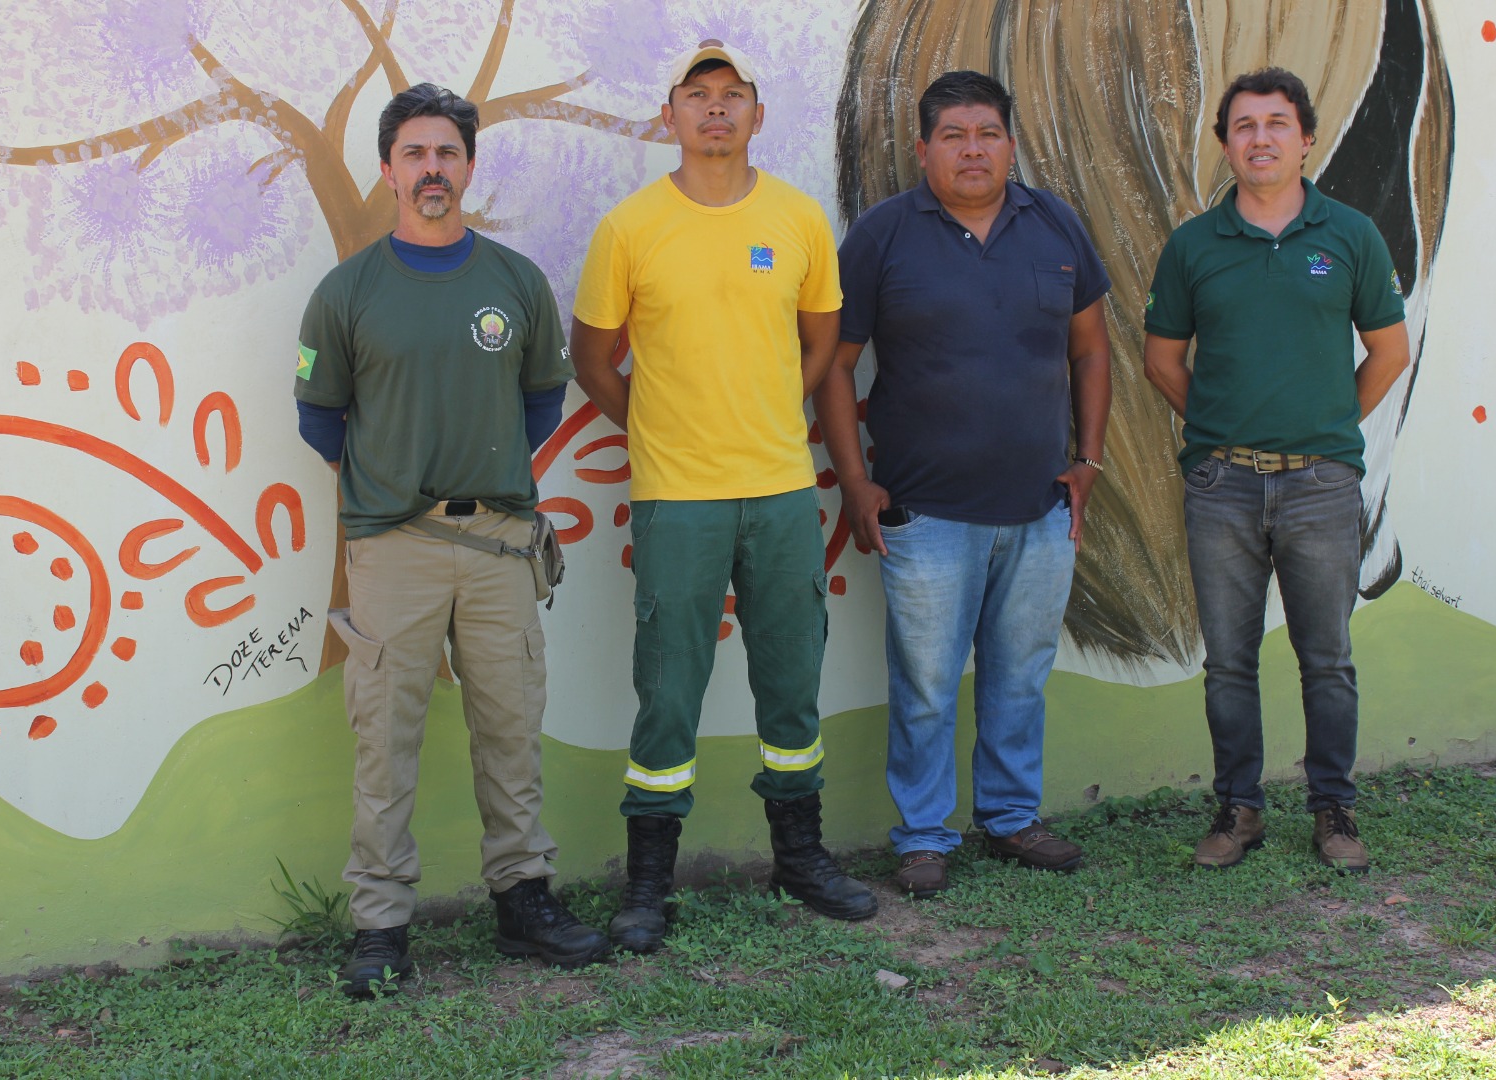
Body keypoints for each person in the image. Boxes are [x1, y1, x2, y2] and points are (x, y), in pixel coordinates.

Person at [294, 83, 607, 996]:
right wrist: (394, 485)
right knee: (384, 736)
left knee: (511, 727)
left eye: (448, 153)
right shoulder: (347, 291)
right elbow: (322, 418)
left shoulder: (512, 282)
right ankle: (381, 925)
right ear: (389, 170)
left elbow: (540, 401)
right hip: (392, 546)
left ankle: (524, 899)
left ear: (470, 165)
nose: (433, 170)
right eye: (415, 155)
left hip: (503, 545)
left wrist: (483, 469)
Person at [570, 40, 876, 953]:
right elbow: (592, 361)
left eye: (731, 95)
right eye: (696, 96)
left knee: (793, 681)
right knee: (667, 688)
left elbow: (822, 339)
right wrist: (657, 423)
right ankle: (648, 885)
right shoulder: (630, 227)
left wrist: (779, 404)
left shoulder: (797, 219)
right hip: (678, 495)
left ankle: (802, 858)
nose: (714, 109)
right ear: (669, 117)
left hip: (783, 487)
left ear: (756, 115)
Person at [814, 70, 1112, 898]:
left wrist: (1087, 460)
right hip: (925, 511)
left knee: (1021, 674)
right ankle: (923, 836)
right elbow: (834, 370)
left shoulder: (1054, 224)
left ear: (1011, 143)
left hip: (1039, 508)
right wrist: (855, 479)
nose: (972, 149)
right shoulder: (882, 236)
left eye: (987, 133)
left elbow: (1091, 348)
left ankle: (1013, 819)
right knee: (925, 687)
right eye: (953, 135)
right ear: (922, 149)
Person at [1142, 68, 1410, 874]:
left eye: (1277, 122)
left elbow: (1389, 352)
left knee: (1325, 656)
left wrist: (1323, 432)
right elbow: (1162, 360)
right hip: (1221, 485)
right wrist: (1224, 431)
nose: (1260, 137)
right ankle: (1239, 808)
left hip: (1321, 484)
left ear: (1306, 138)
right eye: (1244, 125)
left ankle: (1334, 810)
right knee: (1229, 659)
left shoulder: (1351, 235)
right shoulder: (1193, 245)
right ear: (1225, 144)